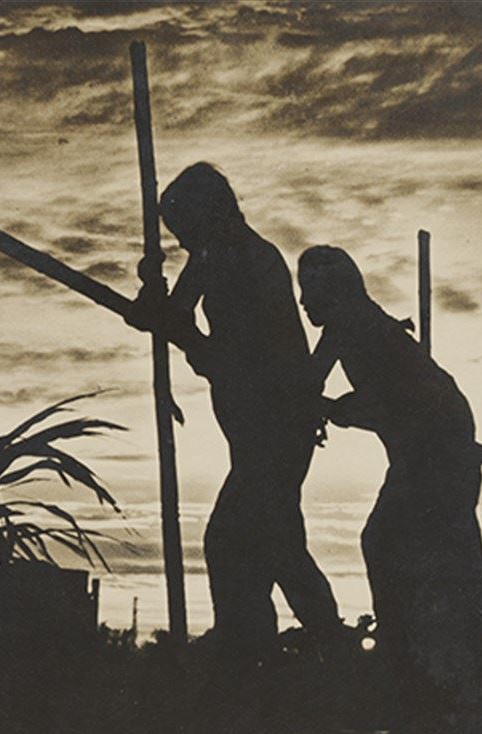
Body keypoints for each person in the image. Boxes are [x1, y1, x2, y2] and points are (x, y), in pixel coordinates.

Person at [127, 163, 342, 655]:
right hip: (253, 432)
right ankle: (279, 649)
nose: (182, 243)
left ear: (208, 215)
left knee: (236, 541)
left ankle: (265, 649)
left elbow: (235, 358)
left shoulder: (251, 261)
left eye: (184, 230)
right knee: (273, 543)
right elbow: (161, 318)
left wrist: (187, 339)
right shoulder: (209, 258)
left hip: (278, 427)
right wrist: (152, 286)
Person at [296, 245, 482, 705]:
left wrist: (340, 410)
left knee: (392, 543)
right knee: (422, 548)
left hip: (437, 448)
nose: (303, 301)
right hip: (426, 448)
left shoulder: (360, 325)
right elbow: (309, 382)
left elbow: (387, 401)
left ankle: (410, 668)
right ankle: (426, 667)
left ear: (334, 290)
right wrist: (313, 405)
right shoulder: (347, 326)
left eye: (309, 290)